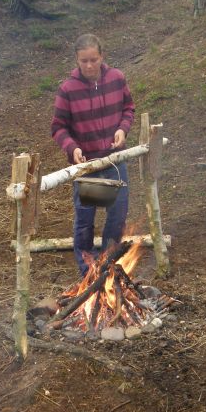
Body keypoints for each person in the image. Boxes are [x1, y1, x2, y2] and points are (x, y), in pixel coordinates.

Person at [51, 33, 135, 276]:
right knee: (85, 221)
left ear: (102, 57)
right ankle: (87, 271)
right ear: (77, 61)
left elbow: (128, 109)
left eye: (93, 60)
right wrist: (72, 148)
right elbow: (58, 127)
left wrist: (122, 129)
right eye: (83, 61)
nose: (89, 66)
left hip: (114, 161)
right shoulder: (68, 89)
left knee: (117, 216)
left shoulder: (116, 79)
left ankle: (108, 264)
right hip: (87, 165)